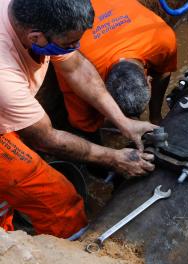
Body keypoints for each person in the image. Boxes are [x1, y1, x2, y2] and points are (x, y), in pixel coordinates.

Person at [0, 0, 157, 239]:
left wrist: (123, 122)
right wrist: (115, 158)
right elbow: (47, 139)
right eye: (68, 43)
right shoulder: (4, 74)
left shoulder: (36, 14)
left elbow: (76, 67)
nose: (76, 47)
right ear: (35, 37)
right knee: (58, 202)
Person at [57, 0, 177, 130]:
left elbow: (164, 71)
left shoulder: (162, 40)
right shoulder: (78, 74)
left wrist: (156, 118)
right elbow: (84, 124)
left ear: (149, 80)